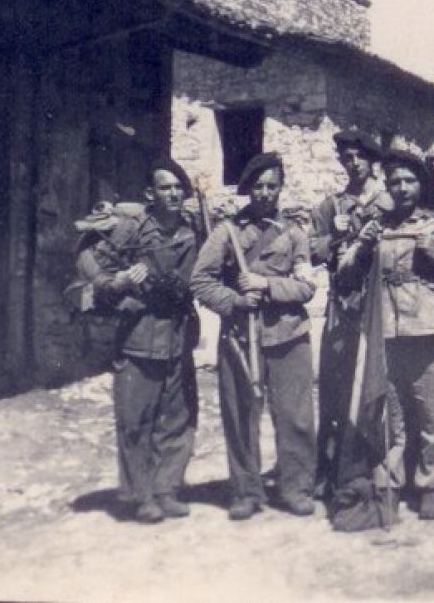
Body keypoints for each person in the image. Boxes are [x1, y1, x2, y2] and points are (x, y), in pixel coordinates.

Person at [337, 143, 434, 520]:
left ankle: (432, 484)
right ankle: (391, 480)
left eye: (408, 180)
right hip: (385, 327)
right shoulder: (376, 226)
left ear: (421, 184)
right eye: (394, 182)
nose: (401, 188)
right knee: (393, 412)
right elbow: (345, 271)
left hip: (428, 326)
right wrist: (359, 249)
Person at [190, 153, 318, 520]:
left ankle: (296, 487)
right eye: (258, 186)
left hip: (289, 335)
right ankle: (246, 491)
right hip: (240, 338)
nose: (265, 193)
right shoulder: (226, 232)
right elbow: (200, 280)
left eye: (272, 186)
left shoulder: (294, 233)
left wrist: (266, 285)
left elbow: (307, 286)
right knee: (241, 415)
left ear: (280, 188)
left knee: (295, 417)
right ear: (248, 189)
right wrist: (235, 301)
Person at [88, 158, 201, 524]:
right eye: (165, 188)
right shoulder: (131, 230)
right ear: (150, 194)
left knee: (178, 418)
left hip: (178, 337)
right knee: (136, 419)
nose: (173, 194)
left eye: (177, 188)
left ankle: (167, 489)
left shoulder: (191, 229)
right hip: (139, 335)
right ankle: (141, 495)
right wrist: (119, 280)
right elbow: (89, 259)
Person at [310, 129, 385, 499]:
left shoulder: (389, 201)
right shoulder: (331, 206)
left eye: (359, 156)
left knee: (375, 388)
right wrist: (333, 238)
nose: (352, 163)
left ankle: (374, 467)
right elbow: (311, 251)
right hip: (342, 306)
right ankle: (330, 468)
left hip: (379, 304)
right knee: (334, 388)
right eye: (346, 157)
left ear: (371, 160)